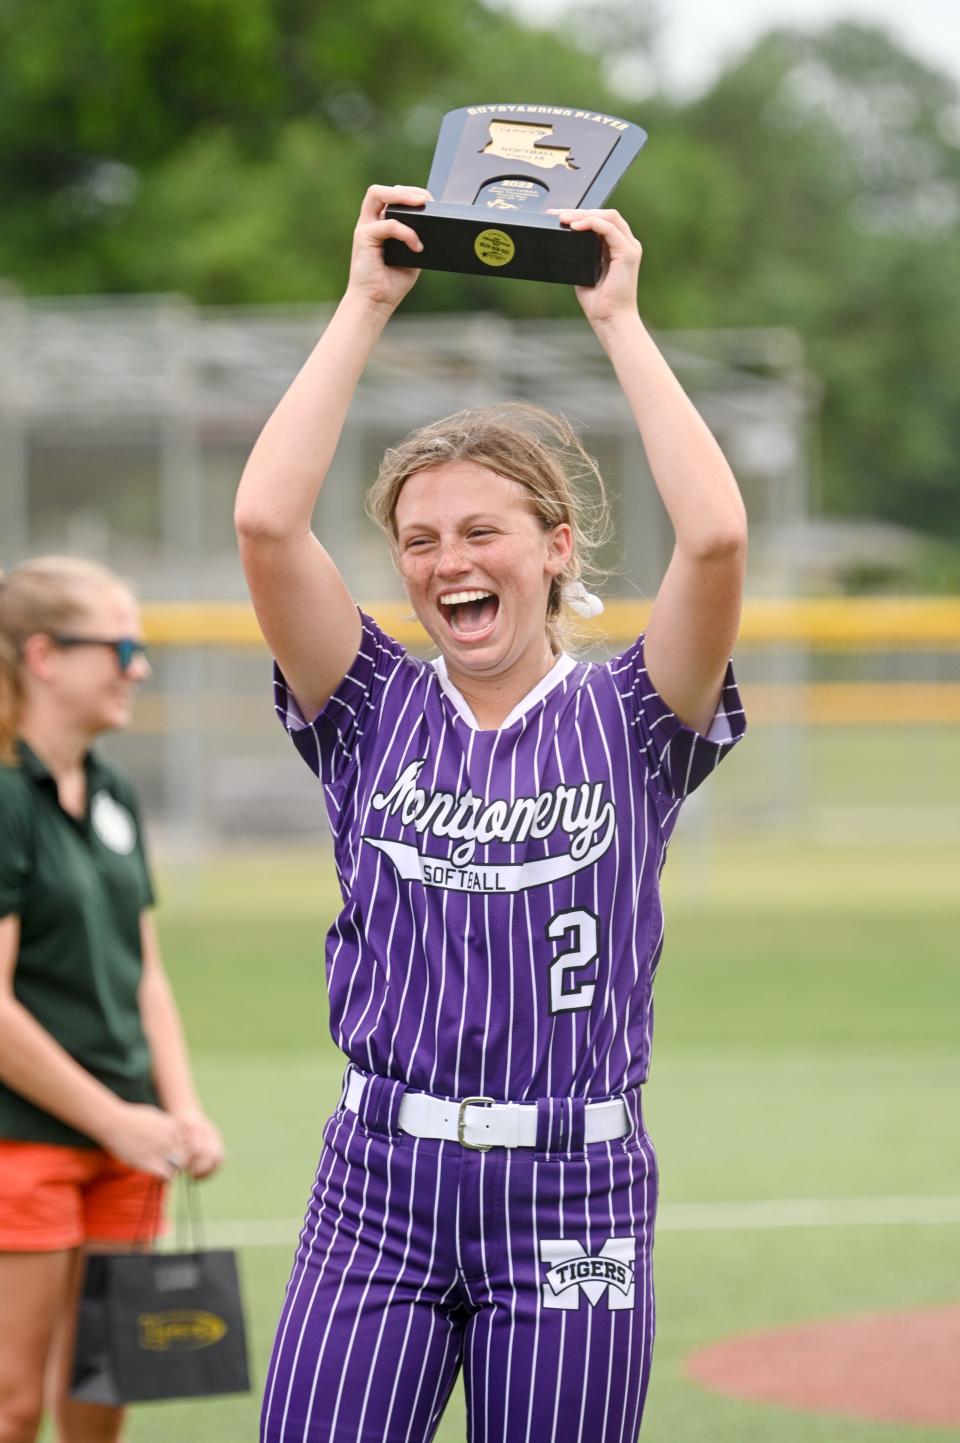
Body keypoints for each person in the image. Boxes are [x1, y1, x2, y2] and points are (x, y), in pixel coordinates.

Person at [236, 186, 747, 1442]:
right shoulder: (368, 705)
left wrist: (618, 319)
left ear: (556, 545)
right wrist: (365, 302)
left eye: (481, 531)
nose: (447, 560)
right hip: (378, 1184)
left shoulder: (633, 713)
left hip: (578, 1187)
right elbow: (264, 521)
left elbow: (719, 539)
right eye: (418, 541)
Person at [0, 556, 224, 1443]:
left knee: (105, 1387)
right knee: (13, 1405)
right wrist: (115, 1118)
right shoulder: (5, 796)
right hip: (25, 1140)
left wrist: (179, 1108)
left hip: (127, 1140)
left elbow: (146, 974)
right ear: (45, 655)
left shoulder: (115, 791)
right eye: (122, 645)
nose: (139, 665)